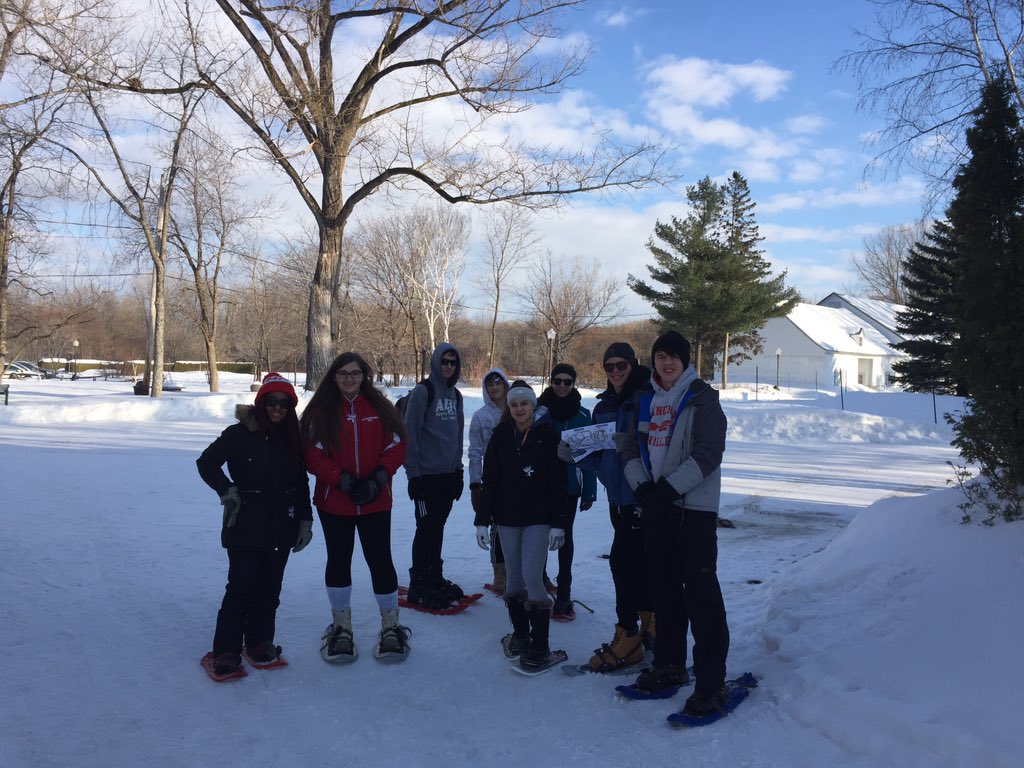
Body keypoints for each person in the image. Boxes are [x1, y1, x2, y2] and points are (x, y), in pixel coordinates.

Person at [620, 331, 730, 715]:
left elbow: (708, 453)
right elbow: (630, 448)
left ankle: (711, 682)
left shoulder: (702, 397)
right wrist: (645, 491)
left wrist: (667, 490)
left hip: (693, 510)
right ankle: (668, 664)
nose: (667, 363)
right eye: (661, 356)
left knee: (700, 595)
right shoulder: (645, 399)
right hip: (656, 509)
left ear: (685, 361)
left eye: (674, 357)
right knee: (664, 593)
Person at [197, 372, 313, 677]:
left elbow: (301, 482)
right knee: (242, 587)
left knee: (270, 587)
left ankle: (260, 641)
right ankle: (226, 650)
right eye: (272, 401)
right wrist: (227, 490)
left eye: (285, 403)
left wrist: (305, 519)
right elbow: (206, 462)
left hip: (282, 523)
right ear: (261, 403)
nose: (278, 408)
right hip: (246, 522)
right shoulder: (238, 434)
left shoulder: (293, 438)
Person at [301, 353, 411, 663]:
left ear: (364, 375)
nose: (349, 379)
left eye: (355, 373)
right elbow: (312, 454)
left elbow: (398, 443)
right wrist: (343, 481)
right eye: (343, 374)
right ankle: (341, 628)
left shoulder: (379, 407)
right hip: (335, 500)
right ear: (333, 377)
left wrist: (378, 478)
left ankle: (391, 627)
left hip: (376, 500)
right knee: (339, 560)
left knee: (380, 560)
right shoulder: (322, 411)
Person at [567, 343, 655, 672]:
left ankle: (629, 634)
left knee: (624, 564)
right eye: (609, 367)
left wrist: (635, 446)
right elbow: (600, 452)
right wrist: (576, 453)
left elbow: (659, 440)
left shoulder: (647, 397)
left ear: (633, 364)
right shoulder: (603, 407)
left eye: (621, 365)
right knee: (636, 565)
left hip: (642, 494)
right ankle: (650, 627)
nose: (616, 372)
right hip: (617, 497)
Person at [475, 380, 568, 671]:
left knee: (532, 575)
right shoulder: (500, 436)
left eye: (524, 403)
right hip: (507, 518)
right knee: (514, 578)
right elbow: (489, 481)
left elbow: (559, 483)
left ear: (533, 406)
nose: (518, 409)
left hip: (538, 518)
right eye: (514, 404)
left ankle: (541, 647)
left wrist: (559, 523)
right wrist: (481, 520)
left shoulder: (548, 436)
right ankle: (520, 635)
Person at [403, 342, 466, 610]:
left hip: (447, 475)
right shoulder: (422, 392)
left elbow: (457, 435)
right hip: (426, 476)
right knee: (426, 528)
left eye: (453, 362)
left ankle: (434, 576)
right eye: (444, 361)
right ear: (436, 362)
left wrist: (458, 471)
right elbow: (410, 435)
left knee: (438, 527)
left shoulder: (457, 396)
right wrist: (414, 475)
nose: (448, 366)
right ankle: (419, 583)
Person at [538, 362, 597, 620]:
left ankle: (564, 593)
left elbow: (591, 457)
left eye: (567, 382)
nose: (562, 386)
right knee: (537, 536)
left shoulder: (583, 416)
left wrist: (589, 490)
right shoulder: (539, 412)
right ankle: (538, 583)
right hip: (539, 486)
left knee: (565, 538)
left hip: (569, 487)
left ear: (574, 384)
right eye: (557, 381)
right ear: (551, 381)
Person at [468, 368, 511, 594]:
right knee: (496, 529)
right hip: (492, 480)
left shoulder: (518, 408)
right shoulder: (481, 417)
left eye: (498, 382)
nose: (495, 387)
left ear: (505, 384)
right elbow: (475, 452)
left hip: (518, 479)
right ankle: (500, 577)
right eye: (489, 384)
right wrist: (475, 484)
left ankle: (524, 574)